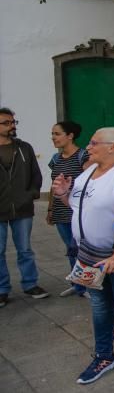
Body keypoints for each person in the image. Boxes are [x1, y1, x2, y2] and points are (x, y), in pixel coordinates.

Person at [51, 127, 114, 387]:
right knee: (100, 307)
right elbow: (77, 206)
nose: (89, 147)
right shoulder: (88, 172)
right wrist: (62, 194)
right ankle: (104, 357)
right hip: (90, 255)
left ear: (112, 147)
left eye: (94, 143)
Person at [0, 107, 48, 308]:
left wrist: (31, 194)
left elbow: (36, 175)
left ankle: (30, 284)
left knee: (25, 249)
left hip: (22, 208)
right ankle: (2, 290)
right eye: (6, 123)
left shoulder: (24, 148)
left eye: (13, 122)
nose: (12, 126)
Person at [48, 120, 90, 298]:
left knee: (81, 250)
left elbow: (90, 184)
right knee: (70, 249)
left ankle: (87, 285)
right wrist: (50, 209)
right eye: (53, 134)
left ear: (70, 136)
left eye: (57, 134)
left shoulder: (83, 156)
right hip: (60, 211)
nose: (53, 137)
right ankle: (77, 285)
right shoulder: (55, 159)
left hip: (77, 212)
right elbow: (53, 185)